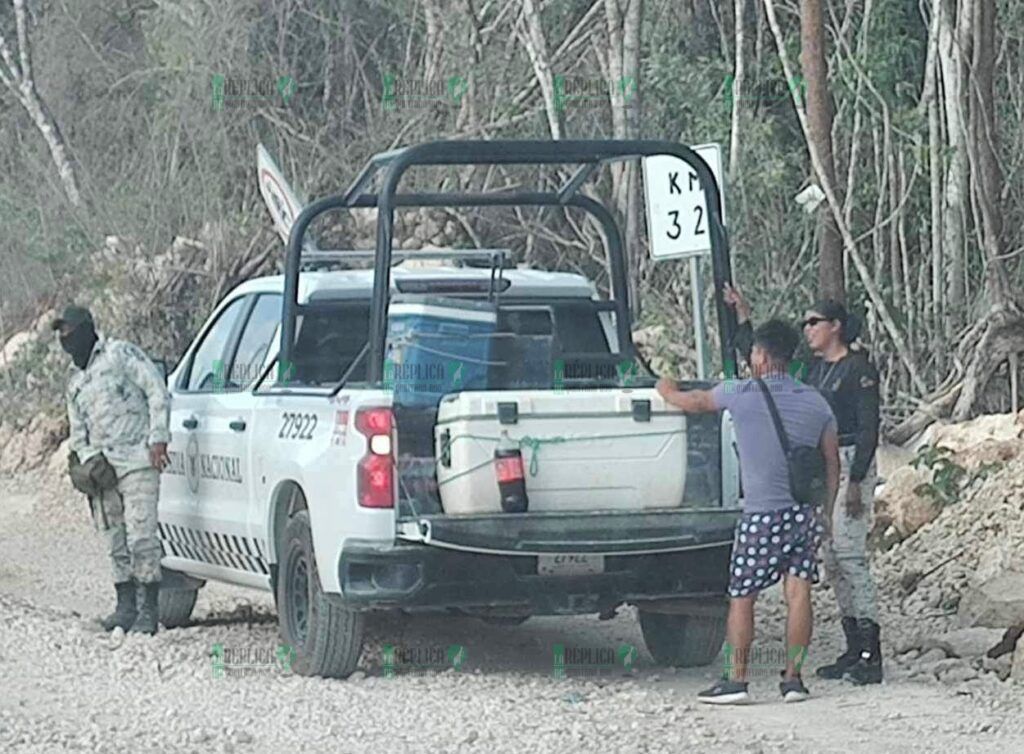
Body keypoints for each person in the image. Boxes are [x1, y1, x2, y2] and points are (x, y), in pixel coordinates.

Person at [656, 320, 840, 704]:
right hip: (803, 513)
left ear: (761, 356)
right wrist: (826, 511)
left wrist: (665, 386)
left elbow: (694, 402)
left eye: (754, 352)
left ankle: (736, 680)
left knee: (743, 595)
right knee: (799, 592)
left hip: (761, 514)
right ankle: (793, 681)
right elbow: (831, 463)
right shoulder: (816, 401)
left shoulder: (740, 392)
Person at [724, 283, 884, 685]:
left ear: (836, 326)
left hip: (849, 461)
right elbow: (765, 362)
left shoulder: (858, 368)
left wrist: (855, 481)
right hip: (820, 464)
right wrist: (744, 317)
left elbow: (869, 429)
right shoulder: (813, 370)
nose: (807, 329)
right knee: (831, 560)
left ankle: (870, 651)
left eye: (813, 322)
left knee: (850, 555)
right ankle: (853, 648)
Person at [52, 305, 171, 635]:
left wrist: (158, 438)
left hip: (138, 460)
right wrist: (89, 463)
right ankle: (125, 606)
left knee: (142, 536)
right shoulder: (75, 383)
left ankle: (149, 610)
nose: (65, 339)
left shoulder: (120, 355)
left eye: (70, 332)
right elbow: (78, 432)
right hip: (103, 471)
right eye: (60, 334)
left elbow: (155, 390)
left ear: (88, 329)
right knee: (114, 538)